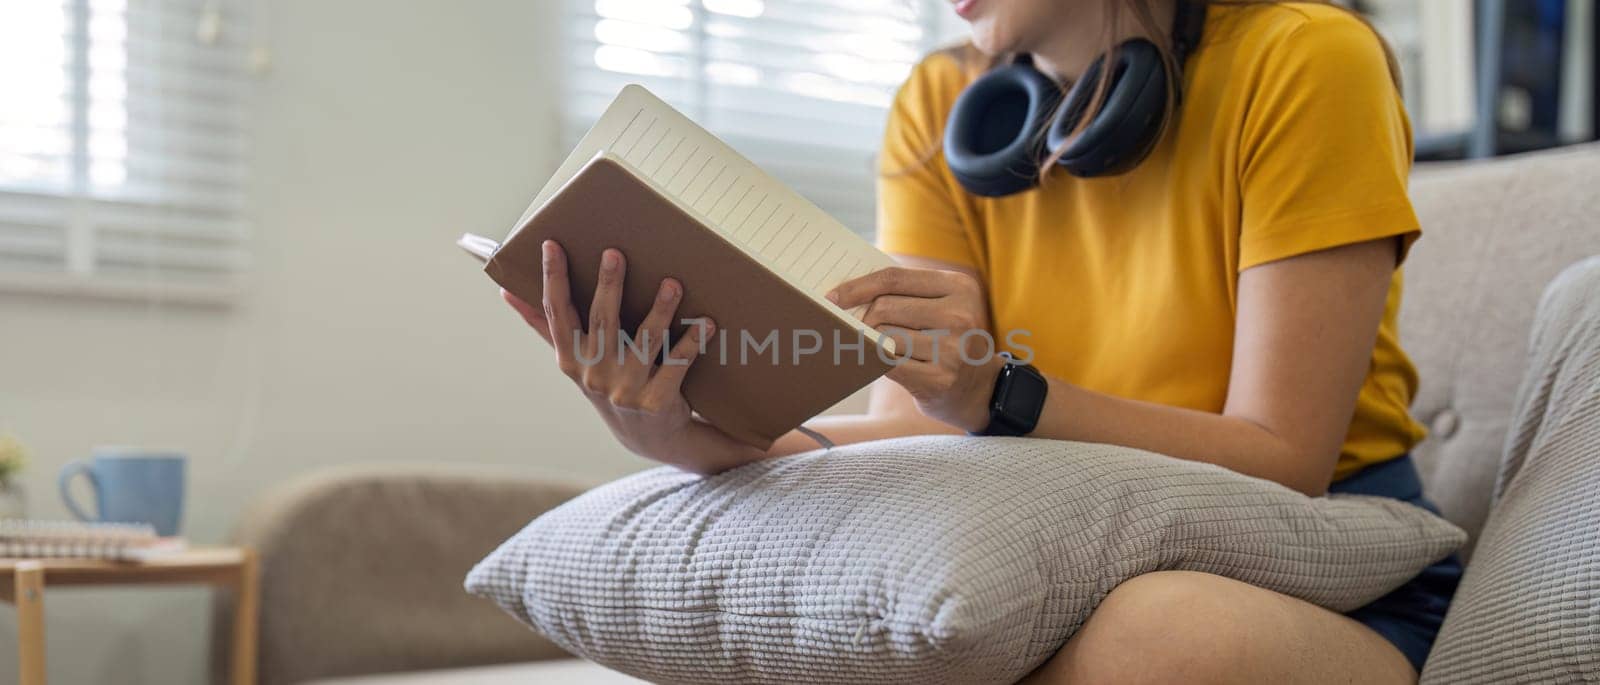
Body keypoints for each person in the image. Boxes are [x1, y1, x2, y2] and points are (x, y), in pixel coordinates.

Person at [502, 0, 1459, 681]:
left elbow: (1284, 456)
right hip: (1043, 546)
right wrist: (683, 436)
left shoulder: (1308, 58)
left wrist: (1003, 397)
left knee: (1160, 639)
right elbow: (913, 429)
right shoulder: (942, 109)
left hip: (1319, 568)